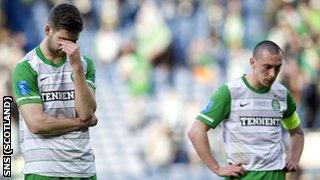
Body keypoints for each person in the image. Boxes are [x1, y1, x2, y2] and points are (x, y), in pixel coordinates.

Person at [188, 40, 304, 180]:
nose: (272, 74)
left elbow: (296, 132)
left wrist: (294, 159)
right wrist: (217, 168)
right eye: (267, 67)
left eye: (277, 68)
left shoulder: (282, 94)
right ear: (252, 62)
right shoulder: (229, 92)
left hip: (276, 175)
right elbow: (195, 131)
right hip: (244, 175)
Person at [12, 3, 98, 179]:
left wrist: (77, 69)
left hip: (82, 169)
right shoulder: (26, 68)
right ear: (47, 30)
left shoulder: (84, 64)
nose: (68, 47)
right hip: (44, 170)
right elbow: (37, 124)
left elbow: (86, 112)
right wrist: (80, 123)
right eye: (63, 40)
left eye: (73, 41)